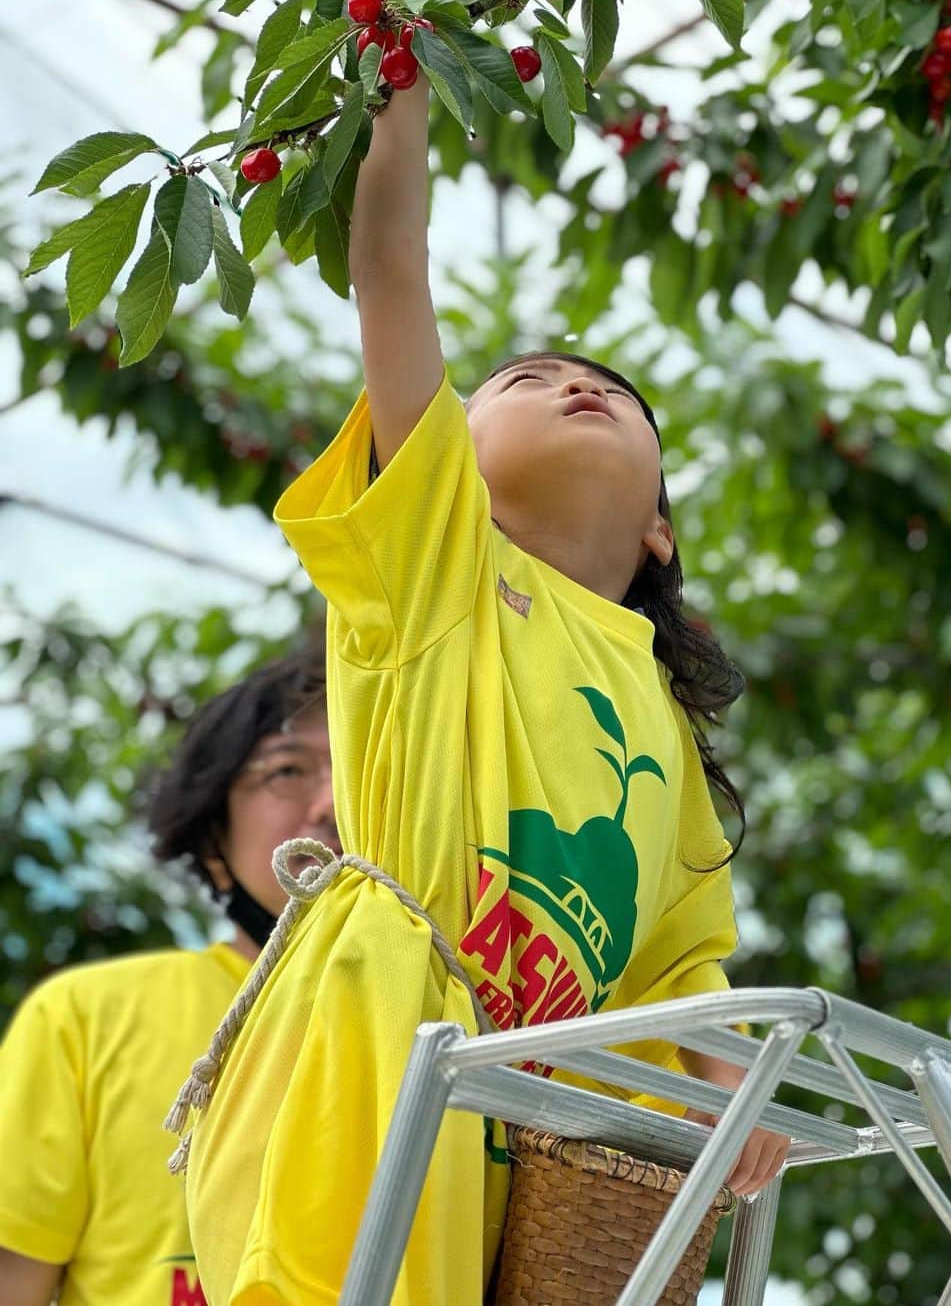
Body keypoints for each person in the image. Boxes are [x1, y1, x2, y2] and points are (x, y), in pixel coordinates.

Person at [182, 69, 789, 1305]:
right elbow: (389, 274)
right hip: (372, 1053)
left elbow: (681, 963)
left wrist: (734, 1088)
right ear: (447, 453)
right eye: (520, 381)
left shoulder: (662, 723)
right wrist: (401, 86)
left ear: (662, 535)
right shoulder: (436, 565)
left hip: (534, 1108)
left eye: (615, 396)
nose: (581, 384)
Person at [0, 646, 336, 1306]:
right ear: (213, 842)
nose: (330, 803)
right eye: (288, 770)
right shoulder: (87, 1017)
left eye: (361, 766)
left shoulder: (458, 1033)